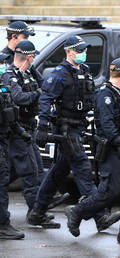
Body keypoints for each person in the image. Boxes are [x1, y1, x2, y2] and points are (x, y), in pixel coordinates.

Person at [30, 36, 120, 232]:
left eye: (84, 50)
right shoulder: (60, 74)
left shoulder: (85, 71)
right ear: (69, 51)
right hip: (65, 130)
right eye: (79, 51)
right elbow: (46, 98)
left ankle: (37, 211)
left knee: (58, 172)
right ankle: (100, 216)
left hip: (79, 127)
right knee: (83, 170)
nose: (83, 54)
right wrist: (43, 125)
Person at [65, 58, 120, 243]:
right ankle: (77, 211)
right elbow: (107, 123)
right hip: (111, 149)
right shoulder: (105, 94)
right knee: (109, 191)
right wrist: (118, 143)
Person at [1, 40, 59, 228]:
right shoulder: (10, 76)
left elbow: (45, 86)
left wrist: (33, 72)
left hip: (28, 128)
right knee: (29, 173)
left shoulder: (28, 73)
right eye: (33, 57)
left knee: (36, 168)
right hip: (17, 129)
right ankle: (36, 213)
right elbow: (19, 98)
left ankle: (37, 212)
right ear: (29, 56)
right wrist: (38, 93)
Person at [2, 21, 45, 181]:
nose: (27, 39)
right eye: (24, 36)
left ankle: (41, 196)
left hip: (25, 119)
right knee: (17, 164)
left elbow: (41, 83)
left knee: (26, 162)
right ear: (14, 37)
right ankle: (39, 197)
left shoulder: (27, 60)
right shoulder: (4, 61)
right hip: (11, 119)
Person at [0, 52, 25, 239]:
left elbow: (9, 114)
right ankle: (3, 225)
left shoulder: (3, 88)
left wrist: (20, 132)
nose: (3, 65)